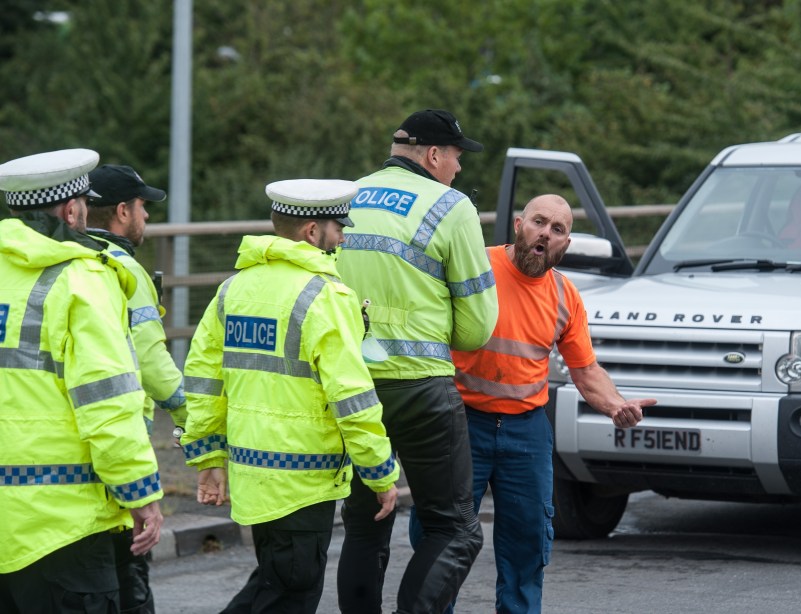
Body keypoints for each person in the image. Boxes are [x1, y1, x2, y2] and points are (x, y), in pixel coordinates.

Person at [413, 194, 656, 613]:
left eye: (557, 229)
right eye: (539, 222)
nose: (546, 233)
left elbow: (585, 369)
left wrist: (615, 404)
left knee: (527, 544)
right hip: (461, 421)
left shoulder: (565, 295)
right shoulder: (476, 267)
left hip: (526, 431)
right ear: (518, 225)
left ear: (565, 243)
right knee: (443, 539)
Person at [180, 178, 400, 613]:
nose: (342, 237)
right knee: (288, 595)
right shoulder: (326, 296)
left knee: (274, 583)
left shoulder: (232, 290)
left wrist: (208, 457)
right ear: (312, 231)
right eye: (338, 227)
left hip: (251, 475)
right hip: (302, 480)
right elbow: (352, 398)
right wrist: (380, 472)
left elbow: (203, 380)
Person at [336, 109, 498, 614]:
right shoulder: (451, 206)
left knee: (365, 524)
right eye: (455, 156)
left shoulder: (345, 198)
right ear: (432, 154)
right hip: (421, 389)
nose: (459, 168)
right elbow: (476, 329)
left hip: (353, 388)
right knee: (456, 528)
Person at [0, 149, 164, 613]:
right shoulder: (82, 282)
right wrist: (141, 495)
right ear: (73, 210)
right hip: (65, 527)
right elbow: (108, 404)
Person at [86, 163, 186, 614]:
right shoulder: (124, 269)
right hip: (119, 438)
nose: (147, 217)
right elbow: (151, 364)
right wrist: (194, 418)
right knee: (130, 575)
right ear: (123, 211)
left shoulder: (64, 261)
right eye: (144, 207)